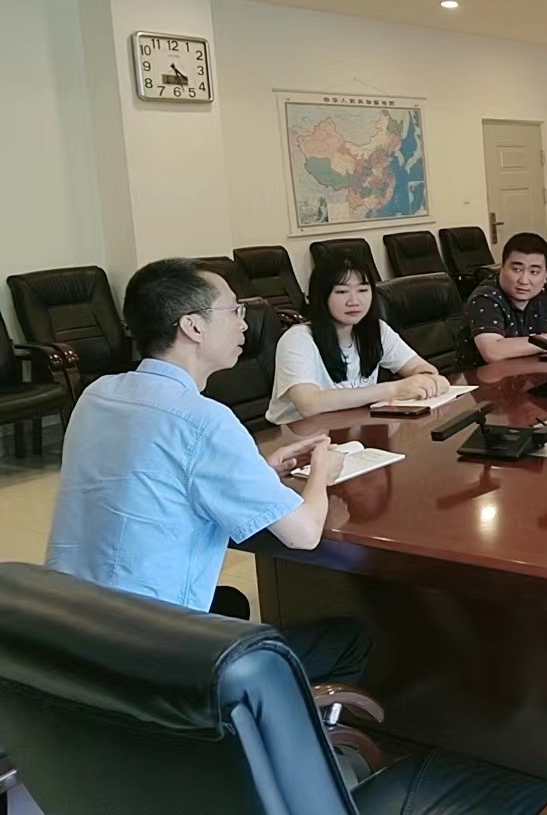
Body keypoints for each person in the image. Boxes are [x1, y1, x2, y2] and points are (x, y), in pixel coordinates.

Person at [46, 258, 370, 683]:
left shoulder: (98, 394)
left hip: (70, 627)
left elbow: (154, 476)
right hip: (150, 651)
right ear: (192, 327)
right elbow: (304, 534)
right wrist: (321, 473)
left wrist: (258, 470)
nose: (244, 324)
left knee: (229, 603)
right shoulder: (204, 420)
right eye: (234, 310)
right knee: (351, 637)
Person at [267, 254, 447, 424]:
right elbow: (309, 404)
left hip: (354, 427)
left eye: (362, 290)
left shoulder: (377, 330)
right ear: (321, 296)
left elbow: (419, 367)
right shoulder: (298, 340)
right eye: (342, 292)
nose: (354, 301)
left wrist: (428, 379)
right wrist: (394, 389)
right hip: (298, 437)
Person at [466, 231, 547, 361]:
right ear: (502, 268)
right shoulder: (485, 298)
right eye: (517, 270)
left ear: (545, 274)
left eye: (534, 272)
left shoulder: (545, 292)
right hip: (482, 373)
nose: (524, 280)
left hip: (529, 370)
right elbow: (492, 351)